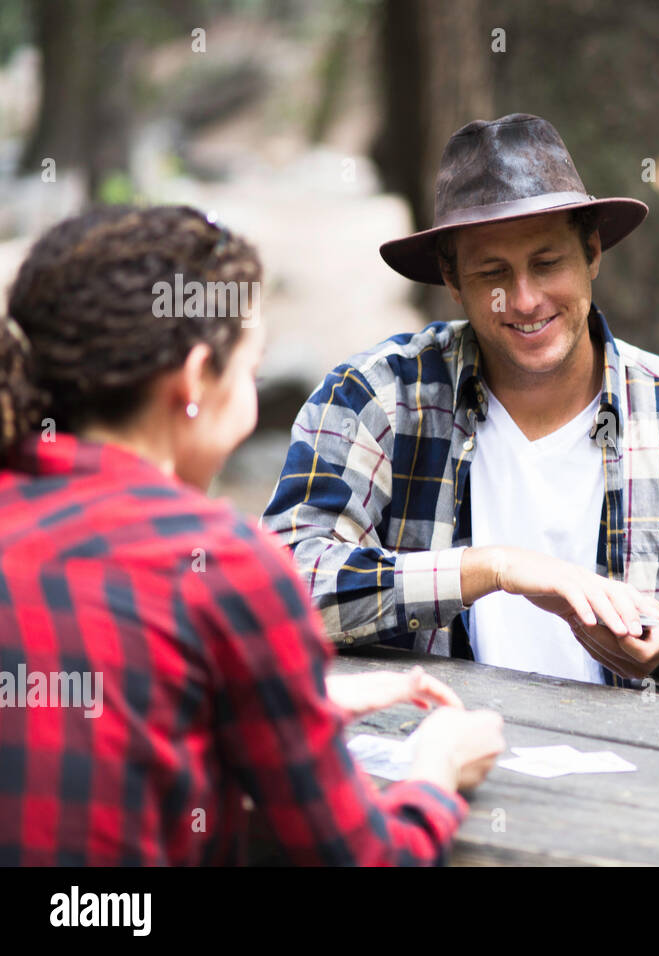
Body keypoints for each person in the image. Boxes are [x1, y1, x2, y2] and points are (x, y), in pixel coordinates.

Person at [0, 205, 504, 865]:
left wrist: (289, 702)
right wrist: (436, 768)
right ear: (193, 381)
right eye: (250, 371)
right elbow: (366, 858)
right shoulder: (221, 566)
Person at [261, 113, 659, 700]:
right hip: (435, 754)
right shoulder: (375, 400)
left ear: (591, 254)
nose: (526, 299)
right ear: (452, 280)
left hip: (639, 779)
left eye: (547, 263)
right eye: (492, 273)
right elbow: (274, 594)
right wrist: (488, 569)